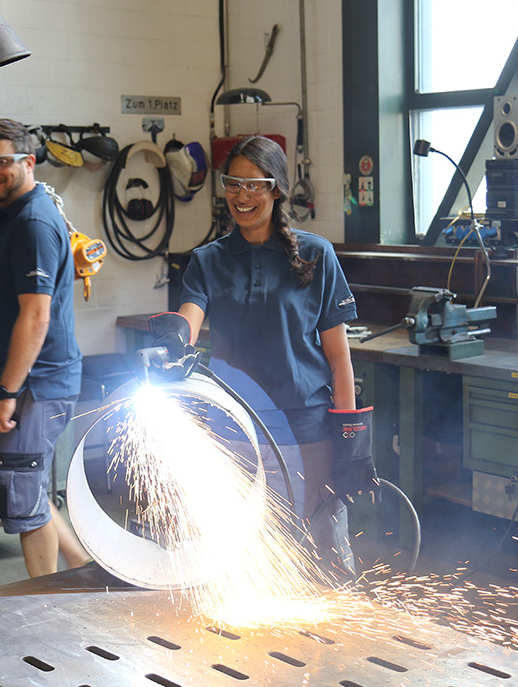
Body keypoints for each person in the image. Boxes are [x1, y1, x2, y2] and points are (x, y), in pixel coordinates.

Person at [149, 135, 379, 583]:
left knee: (323, 544)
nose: (242, 196)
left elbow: (339, 358)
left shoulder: (317, 255)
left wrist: (348, 434)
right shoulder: (207, 261)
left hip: (306, 428)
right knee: (245, 547)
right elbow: (189, 320)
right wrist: (175, 341)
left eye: (254, 186)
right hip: (234, 429)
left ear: (277, 189)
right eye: (233, 184)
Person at [0, 118, 90, 577]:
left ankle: (46, 604)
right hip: (36, 381)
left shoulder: (34, 222)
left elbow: (35, 318)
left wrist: (6, 394)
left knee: (25, 502)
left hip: (36, 385)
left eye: (2, 161)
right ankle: (80, 567)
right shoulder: (15, 215)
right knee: (28, 483)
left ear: (28, 162)